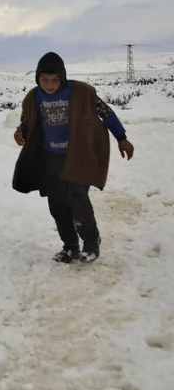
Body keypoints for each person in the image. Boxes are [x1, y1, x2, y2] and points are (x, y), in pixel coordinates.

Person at [12, 52, 135, 263]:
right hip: (52, 158)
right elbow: (27, 120)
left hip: (79, 155)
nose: (50, 85)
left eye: (55, 80)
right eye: (44, 80)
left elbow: (106, 113)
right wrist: (21, 130)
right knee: (58, 204)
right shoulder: (34, 97)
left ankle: (91, 242)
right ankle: (70, 246)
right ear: (37, 79)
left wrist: (121, 137)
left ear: (63, 76)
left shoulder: (81, 92)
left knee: (77, 199)